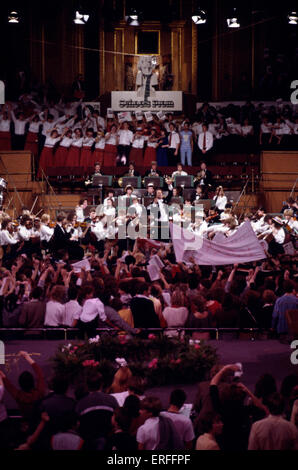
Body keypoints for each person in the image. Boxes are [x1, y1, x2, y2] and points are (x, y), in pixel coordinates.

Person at [75, 372, 118, 449]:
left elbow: (77, 424)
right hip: (108, 440)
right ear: (101, 384)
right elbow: (119, 418)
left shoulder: (81, 404)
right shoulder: (112, 400)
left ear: (87, 386)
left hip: (88, 442)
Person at [0, 351, 46, 421]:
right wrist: (27, 357)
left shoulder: (19, 396)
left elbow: (8, 384)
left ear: (19, 383)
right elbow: (40, 375)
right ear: (33, 381)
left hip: (26, 424)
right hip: (39, 422)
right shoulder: (39, 393)